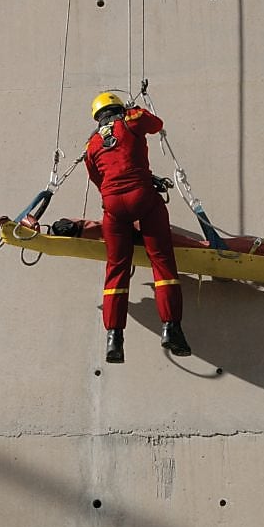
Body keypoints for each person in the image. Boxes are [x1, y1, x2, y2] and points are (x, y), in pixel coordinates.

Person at [82, 92, 191, 363]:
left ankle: (114, 339)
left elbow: (97, 178)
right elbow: (156, 123)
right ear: (119, 107)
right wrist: (135, 109)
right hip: (143, 197)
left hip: (113, 206)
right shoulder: (133, 119)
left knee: (116, 270)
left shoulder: (92, 143)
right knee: (162, 261)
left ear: (97, 117)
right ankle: (171, 329)